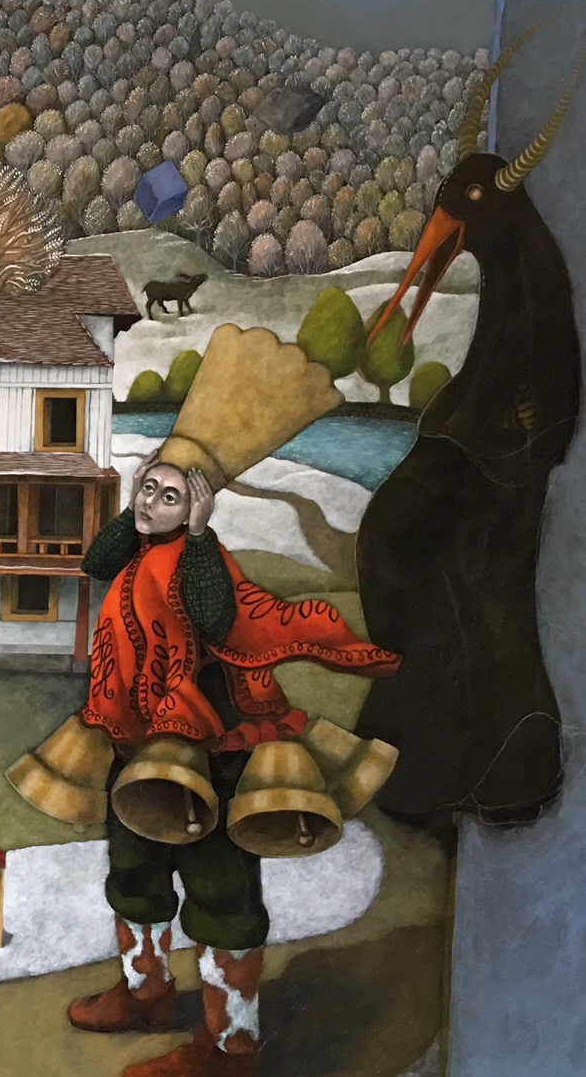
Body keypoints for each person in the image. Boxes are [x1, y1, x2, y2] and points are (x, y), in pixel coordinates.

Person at [69, 455, 398, 1077]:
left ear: (195, 508)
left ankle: (231, 1048)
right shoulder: (139, 549)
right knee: (134, 870)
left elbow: (216, 616)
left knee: (221, 890)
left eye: (168, 496)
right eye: (147, 489)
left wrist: (197, 533)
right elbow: (96, 562)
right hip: (142, 744)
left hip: (212, 753)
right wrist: (138, 508)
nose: (151, 502)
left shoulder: (204, 557)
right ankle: (146, 994)